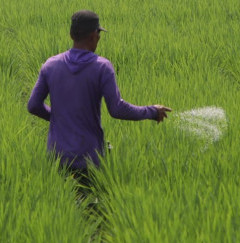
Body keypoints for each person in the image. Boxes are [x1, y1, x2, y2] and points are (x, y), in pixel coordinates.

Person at [27, 10, 172, 186]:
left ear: (71, 35)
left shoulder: (50, 65)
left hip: (58, 155)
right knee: (92, 206)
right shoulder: (102, 67)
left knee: (63, 205)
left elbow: (33, 105)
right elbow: (117, 109)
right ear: (94, 36)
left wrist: (61, 118)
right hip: (89, 156)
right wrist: (152, 111)